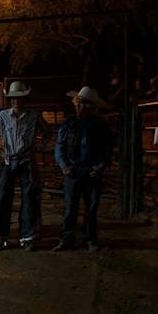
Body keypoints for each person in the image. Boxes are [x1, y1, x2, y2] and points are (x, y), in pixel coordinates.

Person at [0, 81, 52, 251]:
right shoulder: (2, 116)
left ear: (24, 99)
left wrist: (38, 148)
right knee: (2, 197)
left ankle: (27, 237)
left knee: (29, 198)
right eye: (13, 98)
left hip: (26, 160)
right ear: (10, 99)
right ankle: (1, 237)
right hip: (8, 160)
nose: (16, 101)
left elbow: (47, 132)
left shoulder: (34, 116)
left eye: (19, 98)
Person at [53, 87, 114, 252]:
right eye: (79, 104)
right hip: (73, 170)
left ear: (90, 107)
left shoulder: (101, 126)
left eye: (83, 105)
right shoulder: (69, 124)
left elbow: (108, 150)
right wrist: (64, 165)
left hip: (91, 171)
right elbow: (59, 147)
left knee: (91, 209)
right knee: (70, 209)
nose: (79, 107)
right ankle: (68, 239)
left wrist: (99, 167)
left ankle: (90, 239)